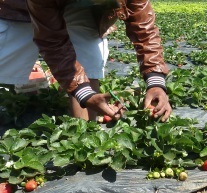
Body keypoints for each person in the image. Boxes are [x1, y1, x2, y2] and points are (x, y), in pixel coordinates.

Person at [0, 0, 110, 183]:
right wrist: (82, 91)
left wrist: (145, 76)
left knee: (86, 61)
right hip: (13, 5)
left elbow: (141, 21)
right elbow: (53, 41)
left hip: (81, 6)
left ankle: (85, 145)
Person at [26, 0, 172, 122]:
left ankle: (84, 133)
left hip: (81, 6)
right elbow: (52, 40)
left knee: (89, 55)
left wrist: (156, 83)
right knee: (14, 59)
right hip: (22, 6)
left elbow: (144, 30)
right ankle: (26, 96)